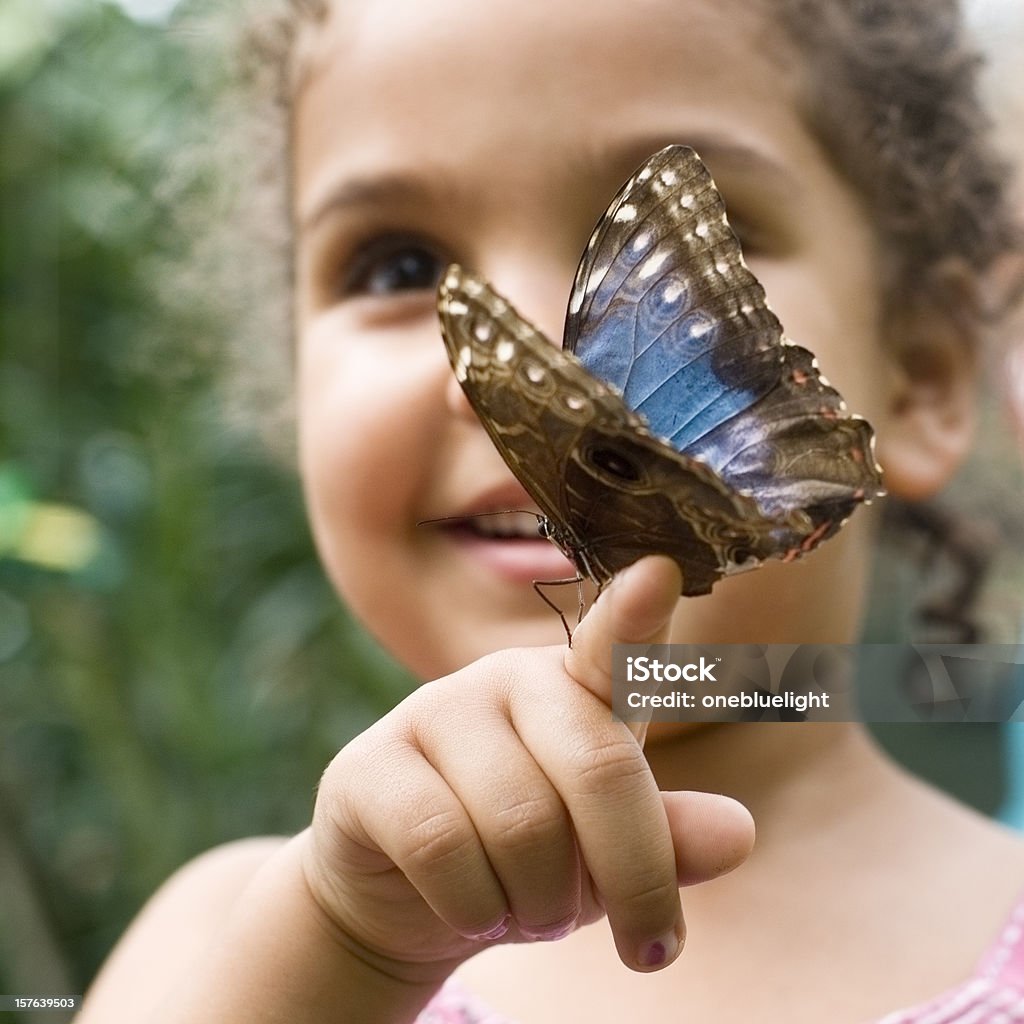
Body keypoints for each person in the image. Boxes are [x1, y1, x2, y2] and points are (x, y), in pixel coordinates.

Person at [77, 0, 1024, 1021]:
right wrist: (341, 952)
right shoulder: (224, 941)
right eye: (399, 264)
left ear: (926, 373)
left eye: (736, 225)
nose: (541, 335)